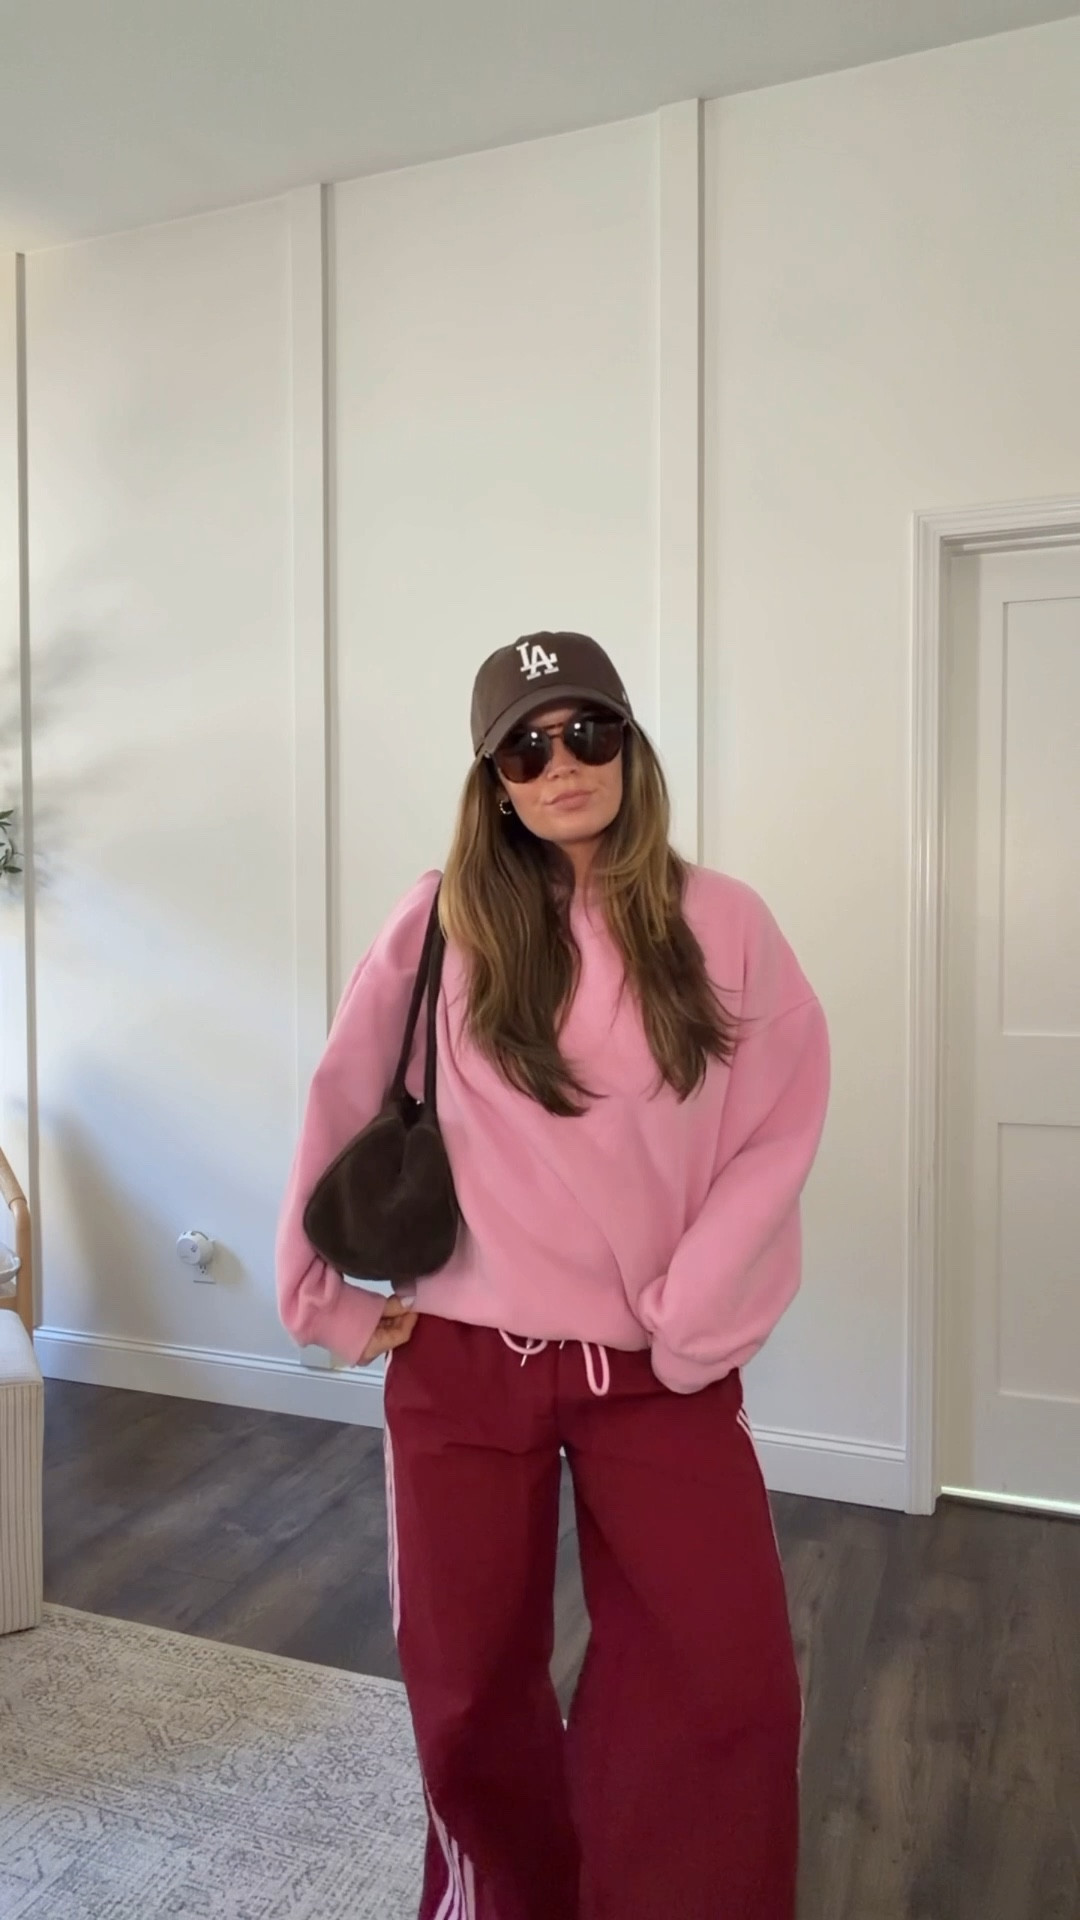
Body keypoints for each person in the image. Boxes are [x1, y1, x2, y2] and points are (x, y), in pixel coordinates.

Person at [277, 632, 829, 1920]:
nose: (562, 764)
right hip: (463, 1362)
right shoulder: (440, 920)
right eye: (526, 749)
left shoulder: (725, 922)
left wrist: (696, 1315)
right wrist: (327, 1296)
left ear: (631, 748)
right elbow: (343, 1098)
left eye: (588, 733)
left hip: (658, 1369)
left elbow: (776, 1130)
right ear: (495, 782)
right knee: (468, 1684)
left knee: (726, 1681)